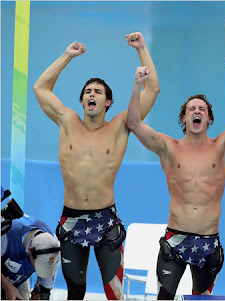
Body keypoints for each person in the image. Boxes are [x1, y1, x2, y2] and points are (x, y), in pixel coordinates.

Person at [33, 32, 160, 300]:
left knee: (114, 294)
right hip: (71, 218)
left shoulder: (121, 126)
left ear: (108, 102)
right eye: (88, 92)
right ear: (82, 101)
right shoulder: (67, 120)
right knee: (75, 292)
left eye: (98, 92)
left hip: (105, 221)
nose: (92, 94)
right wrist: (67, 56)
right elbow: (41, 88)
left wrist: (142, 49)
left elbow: (152, 90)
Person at [126, 66, 225, 299]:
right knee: (164, 297)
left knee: (201, 298)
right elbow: (134, 123)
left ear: (208, 118)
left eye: (202, 109)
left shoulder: (223, 147)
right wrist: (137, 85)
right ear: (184, 118)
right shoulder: (169, 148)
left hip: (208, 243)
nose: (197, 111)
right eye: (192, 109)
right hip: (175, 240)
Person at [1, 214, 60, 300]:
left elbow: (45, 287)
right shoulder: (7, 234)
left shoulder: (53, 248)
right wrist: (7, 286)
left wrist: (38, 293)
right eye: (39, 266)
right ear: (30, 250)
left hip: (19, 279)